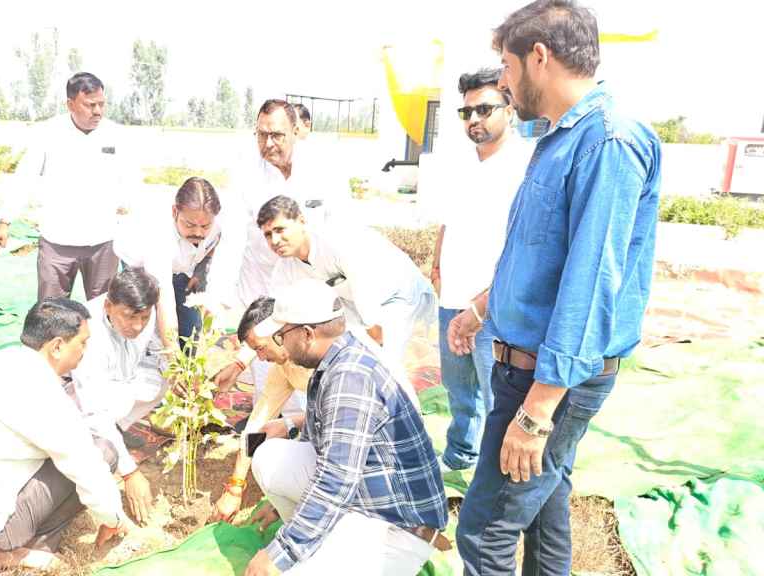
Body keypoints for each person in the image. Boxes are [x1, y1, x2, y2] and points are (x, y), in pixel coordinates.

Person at [447, 2, 662, 574]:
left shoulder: (607, 142)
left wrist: (537, 412)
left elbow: (589, 285)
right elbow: (537, 253)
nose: (503, 81)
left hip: (550, 378)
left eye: (506, 66)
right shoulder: (560, 138)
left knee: (485, 533)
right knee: (544, 511)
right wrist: (481, 308)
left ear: (538, 57)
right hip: (528, 368)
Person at [245, 279, 449, 576]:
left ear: (306, 334)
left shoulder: (350, 377)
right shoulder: (334, 360)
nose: (280, 344)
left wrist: (281, 552)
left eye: (281, 335)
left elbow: (335, 479)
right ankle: (317, 542)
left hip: (394, 525)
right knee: (268, 456)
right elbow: (317, 449)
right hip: (363, 497)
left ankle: (323, 550)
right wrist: (279, 510)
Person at [0, 298, 131, 572]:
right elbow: (86, 465)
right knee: (102, 453)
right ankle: (24, 548)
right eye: (82, 343)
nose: (84, 351)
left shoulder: (3, 359)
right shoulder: (43, 394)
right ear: (57, 346)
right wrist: (114, 519)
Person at [207, 99, 343, 410]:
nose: (268, 143)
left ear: (296, 131)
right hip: (261, 281)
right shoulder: (245, 172)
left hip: (313, 283)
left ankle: (307, 423)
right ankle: (271, 426)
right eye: (261, 134)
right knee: (267, 367)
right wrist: (216, 296)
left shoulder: (324, 169)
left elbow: (340, 227)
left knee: (310, 369)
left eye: (277, 135)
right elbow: (231, 238)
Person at [430, 67, 532, 472]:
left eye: (484, 109)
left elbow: (528, 244)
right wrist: (436, 266)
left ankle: (495, 473)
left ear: (510, 108)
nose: (474, 119)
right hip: (452, 297)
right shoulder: (460, 164)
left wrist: (484, 303)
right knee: (458, 389)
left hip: (495, 305)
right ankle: (460, 455)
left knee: (497, 395)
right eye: (467, 112)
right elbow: (447, 222)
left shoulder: (526, 164)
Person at [0, 72, 133, 302]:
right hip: (57, 242)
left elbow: (132, 184)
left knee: (104, 310)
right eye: (90, 105)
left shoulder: (116, 135)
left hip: (103, 242)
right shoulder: (48, 134)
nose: (97, 111)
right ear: (70, 104)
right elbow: (24, 177)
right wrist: (5, 222)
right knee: (51, 311)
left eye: (101, 104)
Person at [258, 195, 436, 375]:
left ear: (301, 221)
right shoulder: (284, 269)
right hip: (353, 307)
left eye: (280, 230)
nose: (275, 240)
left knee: (383, 366)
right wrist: (254, 346)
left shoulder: (336, 241)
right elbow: (274, 311)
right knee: (343, 360)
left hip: (397, 295)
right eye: (268, 235)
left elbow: (368, 297)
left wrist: (374, 337)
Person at [72, 268, 167, 526]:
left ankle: (117, 430)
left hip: (122, 380)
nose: (137, 326)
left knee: (164, 381)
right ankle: (103, 440)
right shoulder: (87, 334)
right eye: (129, 316)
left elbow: (157, 349)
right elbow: (93, 408)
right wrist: (130, 472)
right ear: (108, 306)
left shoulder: (147, 314)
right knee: (100, 420)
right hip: (82, 399)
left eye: (144, 317)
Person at [209, 297, 311, 522]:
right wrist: (236, 486)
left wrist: (292, 422)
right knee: (266, 452)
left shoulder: (325, 357)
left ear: (281, 332)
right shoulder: (284, 367)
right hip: (325, 434)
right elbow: (258, 423)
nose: (261, 358)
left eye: (261, 349)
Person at [113, 176, 222, 350]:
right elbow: (165, 300)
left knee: (192, 329)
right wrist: (173, 356)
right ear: (174, 212)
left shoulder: (215, 225)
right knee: (142, 320)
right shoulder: (160, 238)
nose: (198, 233)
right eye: (190, 225)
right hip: (139, 265)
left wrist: (200, 271)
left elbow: (213, 243)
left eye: (205, 227)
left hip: (181, 268)